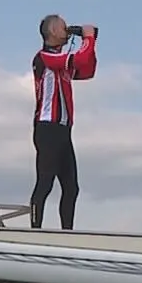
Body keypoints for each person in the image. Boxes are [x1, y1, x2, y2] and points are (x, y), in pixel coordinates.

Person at [30, 14, 98, 230]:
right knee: (45, 182)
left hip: (63, 130)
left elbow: (87, 70)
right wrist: (88, 39)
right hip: (47, 128)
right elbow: (77, 59)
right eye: (63, 26)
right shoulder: (44, 57)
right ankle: (34, 230)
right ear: (52, 32)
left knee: (71, 187)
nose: (67, 29)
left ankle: (67, 233)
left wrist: (91, 42)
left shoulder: (62, 63)